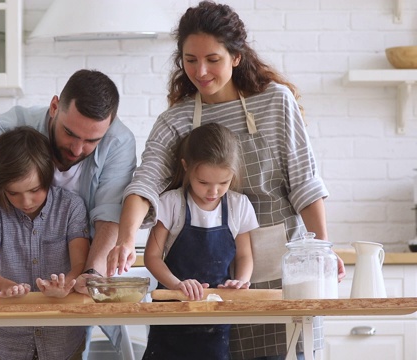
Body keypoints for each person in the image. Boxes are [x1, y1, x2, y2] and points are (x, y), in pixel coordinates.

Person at [106, 2, 346, 359]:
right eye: (190, 60)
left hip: (278, 277)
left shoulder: (275, 103)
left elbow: (305, 184)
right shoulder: (177, 120)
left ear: (235, 57)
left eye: (213, 59)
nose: (200, 71)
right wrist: (126, 240)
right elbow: (145, 184)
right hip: (207, 286)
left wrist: (322, 251)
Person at [0, 69, 137, 359]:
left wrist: (91, 273)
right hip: (4, 274)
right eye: (70, 133)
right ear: (54, 107)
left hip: (77, 274)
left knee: (68, 342)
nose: (77, 149)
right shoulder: (7, 129)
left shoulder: (119, 142)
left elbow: (110, 215)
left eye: (91, 141)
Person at [143, 123, 258, 360]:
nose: (213, 191)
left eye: (223, 183)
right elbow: (152, 257)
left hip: (215, 318)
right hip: (171, 311)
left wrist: (240, 281)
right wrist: (177, 285)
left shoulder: (239, 206)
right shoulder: (171, 203)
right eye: (204, 182)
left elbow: (245, 255)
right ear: (186, 167)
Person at [0, 127, 90, 360]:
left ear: (47, 175)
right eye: (14, 193)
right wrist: (5, 286)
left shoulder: (71, 207)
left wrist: (66, 285)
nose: (26, 201)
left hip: (63, 338)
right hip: (10, 340)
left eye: (35, 190)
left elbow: (81, 264)